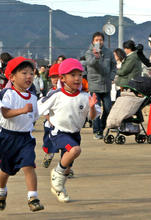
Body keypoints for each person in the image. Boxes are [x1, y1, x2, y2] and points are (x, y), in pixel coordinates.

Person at [37, 58, 100, 203]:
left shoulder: (85, 96)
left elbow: (93, 117)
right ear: (63, 78)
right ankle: (56, 175)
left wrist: (91, 107)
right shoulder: (57, 94)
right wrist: (46, 118)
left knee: (67, 167)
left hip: (74, 134)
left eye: (80, 75)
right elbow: (39, 107)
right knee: (75, 151)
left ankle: (59, 188)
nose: (77, 78)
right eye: (73, 75)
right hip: (58, 132)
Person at [0, 57, 44, 212]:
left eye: (31, 73)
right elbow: (5, 112)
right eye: (24, 73)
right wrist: (23, 110)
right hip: (7, 137)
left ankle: (33, 197)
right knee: (6, 170)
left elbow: (34, 117)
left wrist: (28, 120)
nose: (29, 76)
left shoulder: (34, 97)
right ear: (12, 77)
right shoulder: (7, 93)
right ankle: (1, 191)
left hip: (25, 138)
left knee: (29, 165)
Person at [85, 32, 116, 139]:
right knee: (96, 109)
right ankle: (97, 131)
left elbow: (114, 66)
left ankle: (102, 128)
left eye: (101, 40)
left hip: (106, 85)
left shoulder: (109, 52)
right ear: (93, 42)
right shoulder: (89, 52)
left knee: (108, 108)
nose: (99, 42)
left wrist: (111, 77)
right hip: (94, 85)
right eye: (96, 40)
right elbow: (91, 64)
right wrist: (96, 56)